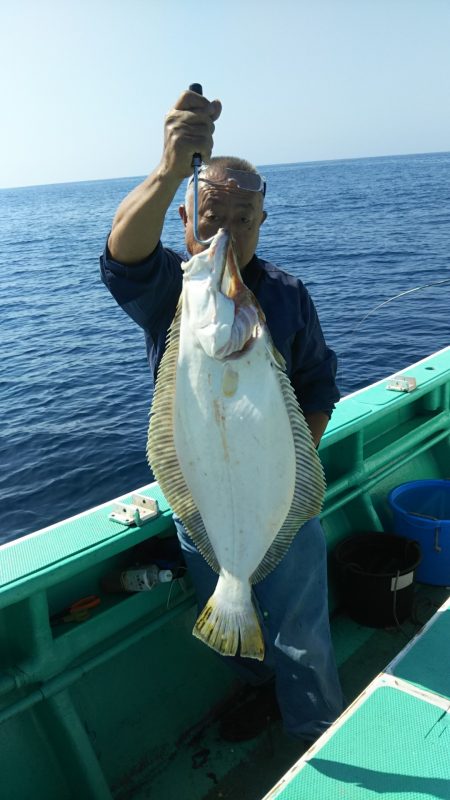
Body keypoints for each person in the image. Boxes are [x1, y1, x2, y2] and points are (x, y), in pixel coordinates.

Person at [100, 89, 344, 743]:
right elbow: (122, 257)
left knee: (301, 636)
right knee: (230, 624)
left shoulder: (288, 296)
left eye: (244, 218)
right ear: (185, 217)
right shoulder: (173, 293)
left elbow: (320, 383)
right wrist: (169, 166)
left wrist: (289, 470)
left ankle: (316, 731)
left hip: (277, 505)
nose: (227, 232)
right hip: (201, 504)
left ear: (263, 219)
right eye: (211, 218)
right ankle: (259, 692)